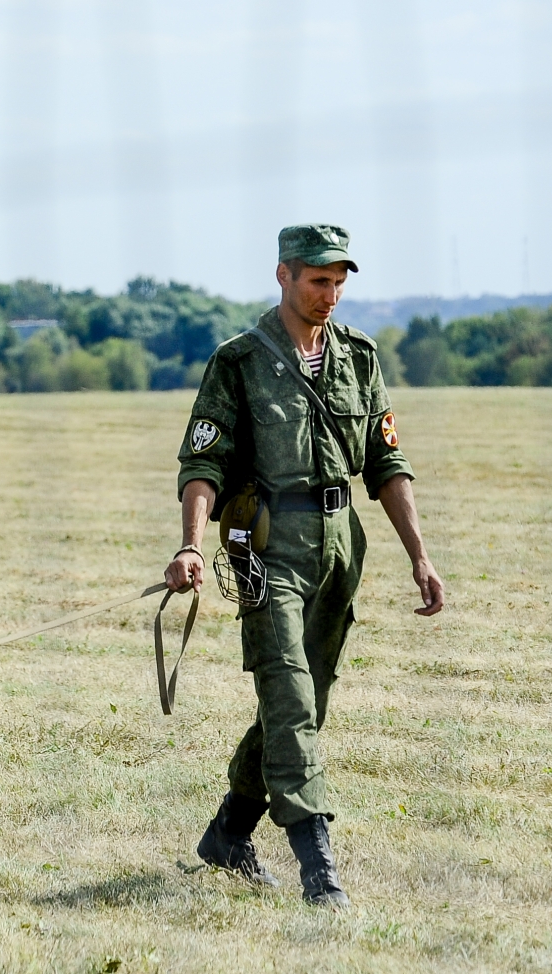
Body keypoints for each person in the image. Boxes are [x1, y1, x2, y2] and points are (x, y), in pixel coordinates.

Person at [165, 223, 445, 907]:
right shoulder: (239, 361)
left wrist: (420, 557)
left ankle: (230, 830)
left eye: (339, 281)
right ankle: (319, 870)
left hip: (339, 541)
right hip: (267, 548)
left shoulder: (360, 357)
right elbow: (203, 463)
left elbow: (386, 465)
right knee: (289, 696)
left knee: (305, 701)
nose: (331, 293)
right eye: (318, 280)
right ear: (285, 276)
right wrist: (190, 544)